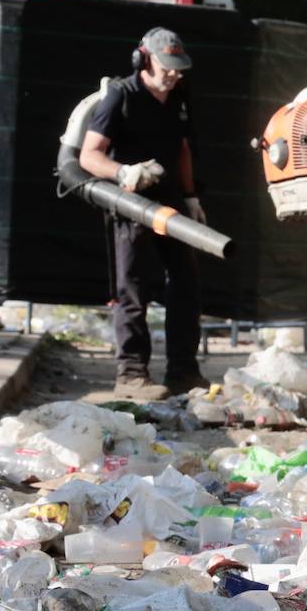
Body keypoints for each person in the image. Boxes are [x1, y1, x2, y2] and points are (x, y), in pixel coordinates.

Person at [79, 26, 210, 400]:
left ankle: (184, 371)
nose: (174, 74)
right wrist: (123, 172)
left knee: (186, 283)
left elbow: (182, 148)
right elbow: (89, 156)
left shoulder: (178, 96)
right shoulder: (120, 95)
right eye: (167, 67)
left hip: (172, 205)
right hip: (132, 205)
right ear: (145, 59)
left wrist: (191, 197)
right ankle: (132, 373)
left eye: (178, 67)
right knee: (133, 287)